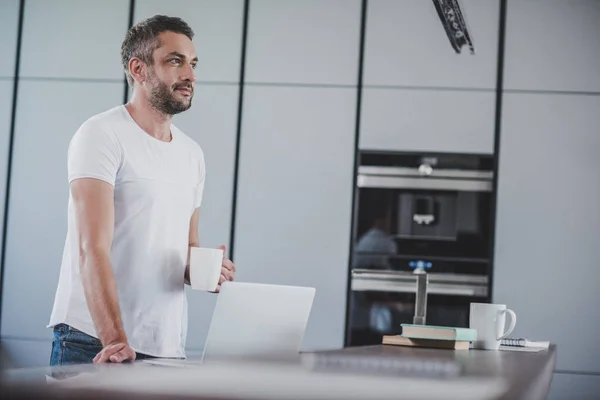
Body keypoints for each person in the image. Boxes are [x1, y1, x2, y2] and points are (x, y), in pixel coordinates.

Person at [47, 15, 236, 366]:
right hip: (95, 341)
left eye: (193, 64)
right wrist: (115, 340)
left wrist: (207, 270)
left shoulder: (192, 153)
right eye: (175, 61)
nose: (190, 76)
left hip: (166, 346)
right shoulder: (102, 134)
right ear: (139, 68)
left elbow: (186, 247)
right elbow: (92, 249)